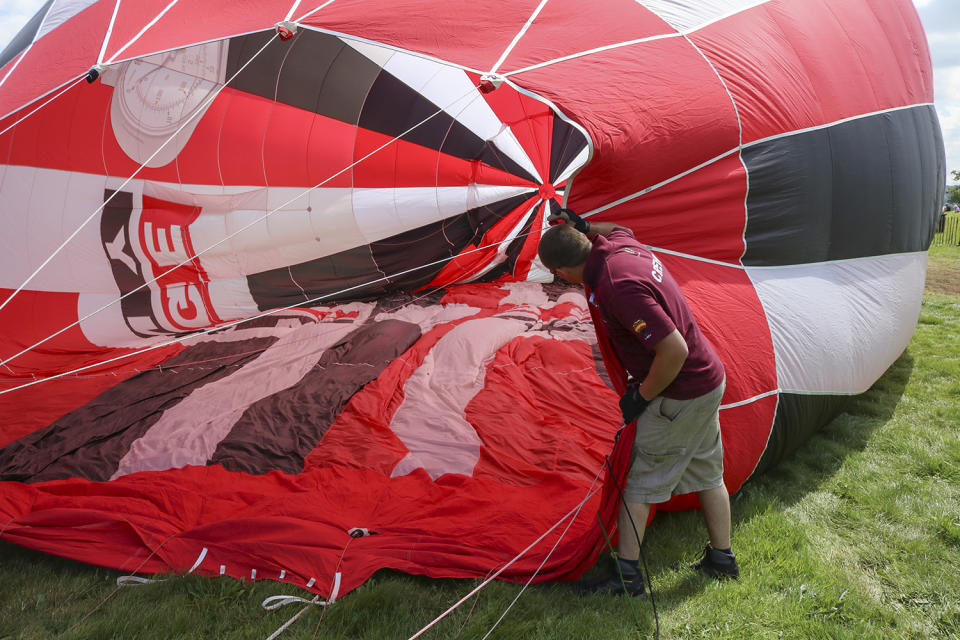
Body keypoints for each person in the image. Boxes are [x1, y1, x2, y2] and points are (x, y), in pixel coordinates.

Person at [537, 209, 738, 597]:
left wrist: (640, 397)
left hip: (679, 393)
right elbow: (620, 227)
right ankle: (722, 560)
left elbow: (673, 351)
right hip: (708, 378)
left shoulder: (617, 287)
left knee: (638, 483)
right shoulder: (617, 245)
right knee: (709, 474)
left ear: (561, 273)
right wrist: (583, 225)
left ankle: (627, 578)